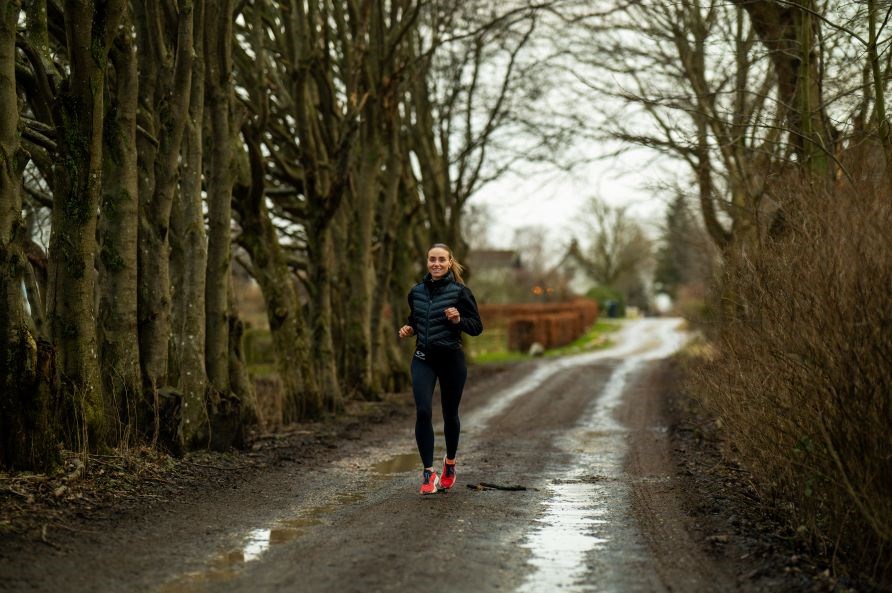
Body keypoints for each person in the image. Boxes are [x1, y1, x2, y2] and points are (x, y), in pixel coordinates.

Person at [398, 243, 483, 495]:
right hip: (423, 358)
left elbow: (477, 327)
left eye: (441, 260)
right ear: (427, 262)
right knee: (423, 411)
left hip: (451, 360)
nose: (436, 264)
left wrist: (459, 320)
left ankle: (450, 464)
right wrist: (409, 328)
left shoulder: (461, 292)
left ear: (449, 262)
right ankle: (428, 472)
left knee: (450, 414)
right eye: (432, 259)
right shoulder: (416, 292)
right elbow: (416, 320)